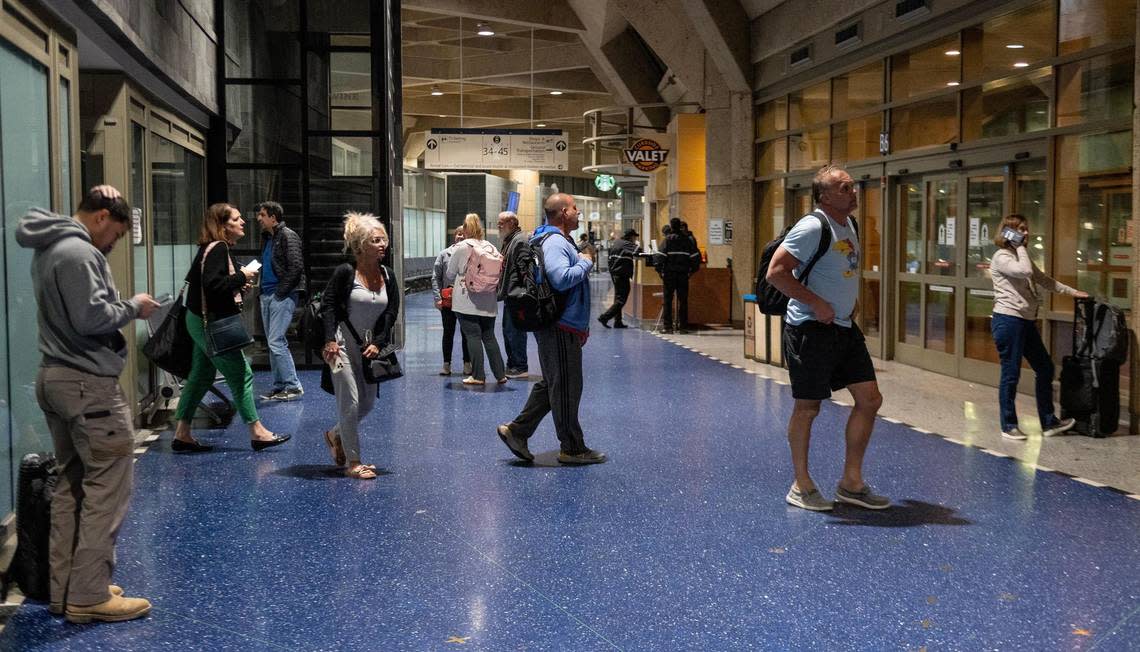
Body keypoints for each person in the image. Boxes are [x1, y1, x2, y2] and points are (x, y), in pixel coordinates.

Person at [16, 185, 159, 623]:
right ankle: (90, 594)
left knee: (72, 484)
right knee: (108, 486)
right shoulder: (79, 253)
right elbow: (91, 317)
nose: (114, 243)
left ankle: (69, 587)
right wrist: (133, 307)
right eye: (115, 233)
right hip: (86, 385)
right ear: (99, 217)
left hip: (56, 377)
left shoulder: (49, 246)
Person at [766, 165, 887, 512]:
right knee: (808, 408)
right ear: (824, 196)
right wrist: (816, 302)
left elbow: (840, 269)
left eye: (852, 185)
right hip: (810, 329)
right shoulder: (812, 226)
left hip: (844, 327)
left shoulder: (850, 224)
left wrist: (851, 301)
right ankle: (800, 484)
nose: (853, 191)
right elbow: (776, 273)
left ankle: (851, 482)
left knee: (870, 399)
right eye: (844, 187)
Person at [496, 193, 607, 465]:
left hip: (558, 325)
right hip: (560, 326)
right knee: (568, 387)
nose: (578, 213)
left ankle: (517, 431)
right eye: (574, 209)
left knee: (553, 384)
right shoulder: (556, 242)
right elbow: (561, 278)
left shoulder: (548, 238)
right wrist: (586, 261)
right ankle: (572, 447)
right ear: (563, 213)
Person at [172, 203, 291, 453]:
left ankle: (182, 433)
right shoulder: (219, 248)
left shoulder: (210, 247)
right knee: (241, 372)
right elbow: (213, 285)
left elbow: (207, 285)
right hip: (211, 323)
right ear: (224, 226)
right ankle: (257, 432)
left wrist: (236, 284)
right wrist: (242, 277)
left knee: (201, 375)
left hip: (199, 319)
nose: (243, 222)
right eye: (237, 219)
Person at [318, 212, 400, 479]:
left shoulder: (387, 275)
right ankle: (353, 462)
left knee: (367, 404)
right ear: (361, 244)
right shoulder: (346, 272)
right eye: (376, 240)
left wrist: (379, 342)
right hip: (340, 345)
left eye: (383, 240)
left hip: (368, 349)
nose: (382, 245)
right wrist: (329, 339)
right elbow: (328, 305)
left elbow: (391, 312)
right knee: (350, 403)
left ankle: (334, 435)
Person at [990, 214, 1085, 440]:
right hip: (1008, 320)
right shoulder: (1002, 256)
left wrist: (1072, 292)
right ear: (1007, 233)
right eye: (1020, 229)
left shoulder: (1019, 256)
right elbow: (1024, 272)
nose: (1026, 233)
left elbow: (1043, 279)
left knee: (1044, 367)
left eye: (1026, 229)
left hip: (1025, 321)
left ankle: (1049, 422)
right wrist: (1019, 246)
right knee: (1010, 374)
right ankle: (1009, 425)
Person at [445, 213, 507, 385]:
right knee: (489, 336)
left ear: (465, 229)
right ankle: (500, 374)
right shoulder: (490, 246)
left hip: (467, 299)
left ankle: (478, 375)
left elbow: (450, 274)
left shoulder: (462, 246)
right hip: (489, 299)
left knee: (472, 335)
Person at [255, 201, 306, 401]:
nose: (259, 218)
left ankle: (293, 386)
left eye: (262, 214)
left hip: (281, 295)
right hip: (266, 294)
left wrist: (280, 294)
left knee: (276, 341)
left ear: (273, 217)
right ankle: (279, 386)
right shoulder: (268, 238)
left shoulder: (288, 236)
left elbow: (296, 267)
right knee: (272, 343)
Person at [432, 227, 471, 376]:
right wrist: (438, 298)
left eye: (463, 234)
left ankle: (467, 363)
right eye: (458, 234)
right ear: (455, 236)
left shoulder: (471, 253)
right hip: (448, 300)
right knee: (448, 332)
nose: (461, 237)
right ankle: (446, 364)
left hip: (466, 300)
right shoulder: (443, 255)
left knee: (466, 332)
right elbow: (435, 277)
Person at [496, 211, 530, 378]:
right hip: (510, 294)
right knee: (508, 331)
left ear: (512, 223)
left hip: (517, 294)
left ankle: (520, 366)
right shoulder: (510, 240)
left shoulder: (520, 241)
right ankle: (513, 364)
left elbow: (525, 268)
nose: (498, 225)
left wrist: (523, 291)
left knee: (515, 331)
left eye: (501, 223)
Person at [660, 217, 700, 333]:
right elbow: (695, 258)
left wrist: (660, 272)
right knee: (683, 301)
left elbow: (659, 257)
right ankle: (683, 327)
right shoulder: (687, 240)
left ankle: (668, 327)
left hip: (669, 275)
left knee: (668, 300)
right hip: (683, 275)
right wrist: (691, 272)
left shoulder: (667, 240)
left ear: (671, 226)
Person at [598, 229, 640, 328]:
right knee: (621, 299)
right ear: (630, 237)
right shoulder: (626, 244)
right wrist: (637, 245)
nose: (635, 239)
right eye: (634, 237)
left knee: (618, 297)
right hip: (622, 273)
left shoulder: (616, 243)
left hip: (615, 273)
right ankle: (605, 317)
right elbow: (638, 250)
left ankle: (618, 321)